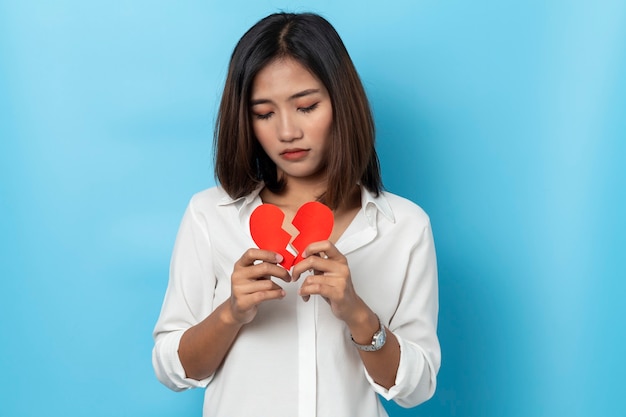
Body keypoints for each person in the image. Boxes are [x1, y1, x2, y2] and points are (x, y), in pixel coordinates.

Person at [152, 12, 440, 417]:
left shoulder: (405, 228)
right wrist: (230, 313)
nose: (287, 131)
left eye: (306, 106)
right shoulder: (209, 215)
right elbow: (171, 368)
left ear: (342, 102)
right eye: (264, 113)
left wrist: (357, 313)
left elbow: (417, 386)